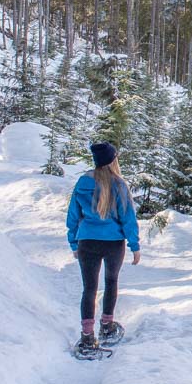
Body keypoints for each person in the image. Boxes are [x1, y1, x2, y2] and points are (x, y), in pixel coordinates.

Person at [66, 142, 140, 353]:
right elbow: (128, 218)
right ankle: (107, 327)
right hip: (113, 243)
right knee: (110, 282)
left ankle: (87, 337)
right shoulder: (119, 184)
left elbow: (73, 215)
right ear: (113, 161)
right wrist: (135, 245)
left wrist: (73, 242)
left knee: (89, 288)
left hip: (87, 241)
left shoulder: (82, 182)